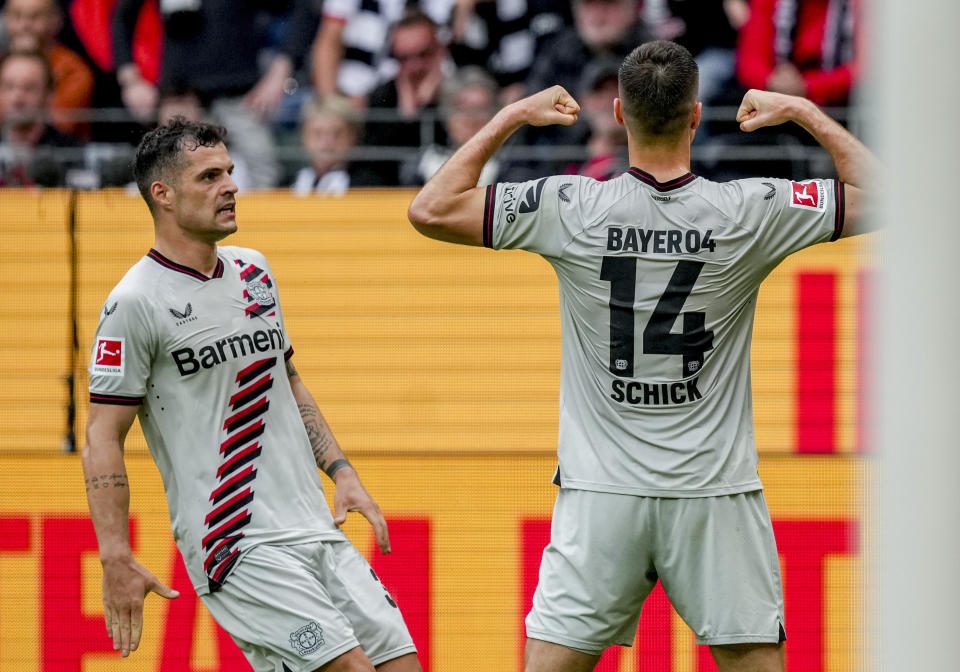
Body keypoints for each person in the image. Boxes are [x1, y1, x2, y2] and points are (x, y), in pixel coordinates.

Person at [407, 40, 873, 672]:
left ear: (619, 113)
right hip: (713, 493)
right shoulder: (751, 211)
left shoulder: (570, 205)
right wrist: (805, 113)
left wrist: (511, 114)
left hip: (602, 495)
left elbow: (430, 208)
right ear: (697, 115)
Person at [83, 118, 422, 672]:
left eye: (231, 173)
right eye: (210, 176)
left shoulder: (254, 271)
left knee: (403, 665)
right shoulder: (134, 303)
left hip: (314, 527)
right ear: (161, 195)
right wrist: (115, 557)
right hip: (237, 542)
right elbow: (101, 435)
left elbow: (286, 382)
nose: (231, 186)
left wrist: (342, 472)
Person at [1, 0, 95, 137]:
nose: (24, 25)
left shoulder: (74, 70)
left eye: (35, 17)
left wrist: (33, 58)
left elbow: (60, 124)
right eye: (16, 16)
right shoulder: (2, 64)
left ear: (56, 21)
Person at [0, 50, 82, 186]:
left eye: (29, 88)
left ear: (49, 94)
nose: (17, 98)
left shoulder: (72, 154)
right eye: (9, 87)